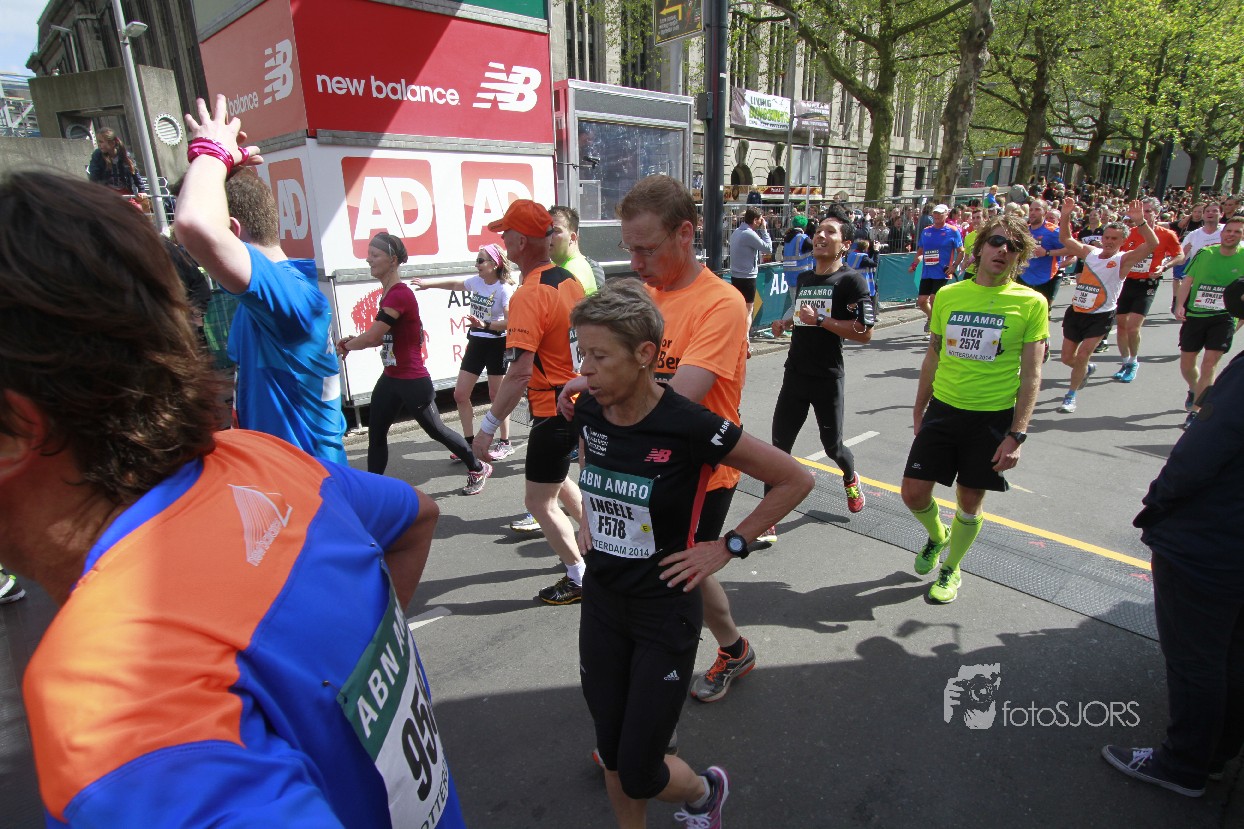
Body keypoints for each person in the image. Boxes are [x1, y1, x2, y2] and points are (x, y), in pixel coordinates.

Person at [0, 169, 466, 827]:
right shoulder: (267, 458)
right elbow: (418, 516)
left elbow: (198, 230)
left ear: (17, 430)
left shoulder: (109, 693)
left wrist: (210, 157)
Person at [570, 280, 811, 828]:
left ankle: (704, 791)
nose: (586, 369)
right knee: (612, 753)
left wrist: (727, 546)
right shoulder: (590, 407)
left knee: (641, 772)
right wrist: (588, 515)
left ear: (644, 354)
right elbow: (590, 459)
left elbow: (794, 480)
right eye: (582, 353)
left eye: (599, 356)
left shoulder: (690, 424)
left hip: (663, 610)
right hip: (603, 602)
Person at [558, 174, 755, 703]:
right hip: (634, 463)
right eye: (630, 249)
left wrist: (594, 387)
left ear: (685, 234)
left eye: (646, 249)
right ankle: (728, 650)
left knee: (674, 576)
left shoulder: (722, 302)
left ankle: (655, 709)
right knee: (678, 571)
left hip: (697, 471)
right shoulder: (644, 298)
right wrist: (593, 380)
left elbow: (677, 400)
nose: (636, 262)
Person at [1104, 295, 1244, 796]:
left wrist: (1158, 503)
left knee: (1196, 659)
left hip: (1212, 539)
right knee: (1231, 651)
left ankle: (1183, 763)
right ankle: (1215, 752)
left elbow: (1202, 451)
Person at [175, 96, 347, 463]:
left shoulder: (292, 297)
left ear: (232, 231)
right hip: (278, 479)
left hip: (309, 484)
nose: (195, 257)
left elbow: (194, 226)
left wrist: (212, 153)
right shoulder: (260, 302)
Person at [900, 212, 1048, 603]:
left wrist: (1017, 434)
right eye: (996, 241)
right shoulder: (949, 296)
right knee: (913, 493)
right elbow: (933, 356)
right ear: (979, 248)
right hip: (944, 410)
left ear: (1019, 257)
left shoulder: (1031, 303)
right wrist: (919, 409)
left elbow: (1032, 375)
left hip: (991, 418)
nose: (1003, 250)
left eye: (1013, 247)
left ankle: (951, 567)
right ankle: (938, 536)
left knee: (969, 500)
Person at [469, 199, 588, 604]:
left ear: (521, 241)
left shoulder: (529, 294)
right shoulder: (567, 280)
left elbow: (519, 373)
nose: (502, 240)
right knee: (557, 481)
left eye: (506, 233)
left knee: (537, 501)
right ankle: (594, 546)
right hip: (574, 400)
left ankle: (578, 574)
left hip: (554, 408)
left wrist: (487, 429)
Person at [337, 233, 493, 494]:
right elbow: (382, 336)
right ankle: (371, 491)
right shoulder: (389, 293)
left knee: (436, 431)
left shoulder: (399, 294)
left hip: (412, 380)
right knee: (376, 434)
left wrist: (346, 346)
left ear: (393, 260)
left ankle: (477, 467)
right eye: (368, 254)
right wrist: (354, 341)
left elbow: (373, 336)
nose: (368, 260)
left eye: (375, 255)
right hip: (391, 377)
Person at [769, 209, 875, 521]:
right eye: (818, 231)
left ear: (846, 245)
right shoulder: (805, 278)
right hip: (795, 374)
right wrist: (785, 323)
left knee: (833, 448)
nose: (820, 236)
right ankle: (768, 519)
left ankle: (850, 478)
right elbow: (803, 315)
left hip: (827, 378)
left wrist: (822, 320)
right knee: (778, 450)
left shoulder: (851, 281)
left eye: (830, 232)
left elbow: (865, 333)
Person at [413, 244, 518, 460]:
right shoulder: (477, 282)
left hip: (497, 343)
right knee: (460, 394)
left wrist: (485, 324)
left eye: (480, 261)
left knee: (496, 396)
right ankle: (468, 445)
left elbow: (511, 322)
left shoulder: (503, 289)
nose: (476, 264)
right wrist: (427, 285)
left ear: (494, 264)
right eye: (477, 260)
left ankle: (505, 441)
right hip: (477, 342)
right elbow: (455, 284)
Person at [1054, 198, 1156, 413]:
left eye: (1114, 239)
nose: (1109, 241)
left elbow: (1152, 245)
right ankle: (1086, 369)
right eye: (1107, 237)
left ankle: (1070, 396)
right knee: (1067, 358)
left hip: (1101, 315)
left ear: (1122, 241)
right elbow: (1065, 238)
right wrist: (1065, 215)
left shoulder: (1123, 259)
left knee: (1083, 354)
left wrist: (1141, 222)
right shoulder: (1090, 253)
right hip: (1077, 311)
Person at [1173, 215, 1244, 429]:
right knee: (1187, 364)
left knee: (1209, 363)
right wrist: (1180, 305)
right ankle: (1195, 389)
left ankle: (1197, 411)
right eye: (1229, 231)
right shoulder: (1205, 253)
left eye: (1237, 232)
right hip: (1196, 315)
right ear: (1222, 233)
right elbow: (1188, 281)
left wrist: (1239, 321)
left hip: (1224, 317)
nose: (1231, 235)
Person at [1113, 197, 1184, 383]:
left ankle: (1134, 361)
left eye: (1148, 211)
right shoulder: (1129, 233)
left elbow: (1180, 256)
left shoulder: (1166, 234)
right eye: (1141, 211)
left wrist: (1165, 267)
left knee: (1133, 326)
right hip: (1126, 282)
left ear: (1157, 213)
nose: (1143, 215)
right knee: (1121, 325)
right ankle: (1125, 362)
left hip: (1147, 283)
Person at [909, 204, 965, 330]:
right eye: (935, 213)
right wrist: (914, 265)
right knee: (921, 301)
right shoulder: (926, 231)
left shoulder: (953, 231)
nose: (937, 216)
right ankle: (932, 319)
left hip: (942, 272)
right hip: (927, 271)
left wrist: (954, 266)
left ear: (946, 214)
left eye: (940, 213)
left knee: (934, 298)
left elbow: (961, 251)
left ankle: (934, 329)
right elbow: (920, 251)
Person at [1016, 199, 1070, 310]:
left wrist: (1047, 252)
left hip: (1045, 279)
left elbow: (1072, 250)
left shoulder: (1053, 231)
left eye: (1037, 210)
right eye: (1031, 210)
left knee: (1041, 312)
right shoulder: (1024, 230)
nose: (1032, 213)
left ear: (1045, 212)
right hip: (1024, 277)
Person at [727, 207, 772, 332]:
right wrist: (764, 230)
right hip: (747, 277)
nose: (762, 222)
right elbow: (768, 248)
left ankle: (738, 335)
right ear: (755, 220)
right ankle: (745, 338)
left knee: (739, 309)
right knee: (748, 310)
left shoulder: (736, 232)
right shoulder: (748, 234)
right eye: (760, 219)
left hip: (736, 276)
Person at [549, 204, 600, 296]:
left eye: (556, 231)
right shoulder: (558, 266)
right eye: (547, 231)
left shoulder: (573, 272)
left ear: (572, 237)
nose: (549, 236)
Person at [87, 127, 141, 196]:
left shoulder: (125, 155)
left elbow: (135, 174)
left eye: (101, 142)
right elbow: (94, 175)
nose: (99, 144)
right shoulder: (97, 155)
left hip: (125, 191)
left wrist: (141, 190)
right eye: (98, 142)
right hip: (107, 192)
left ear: (112, 143)